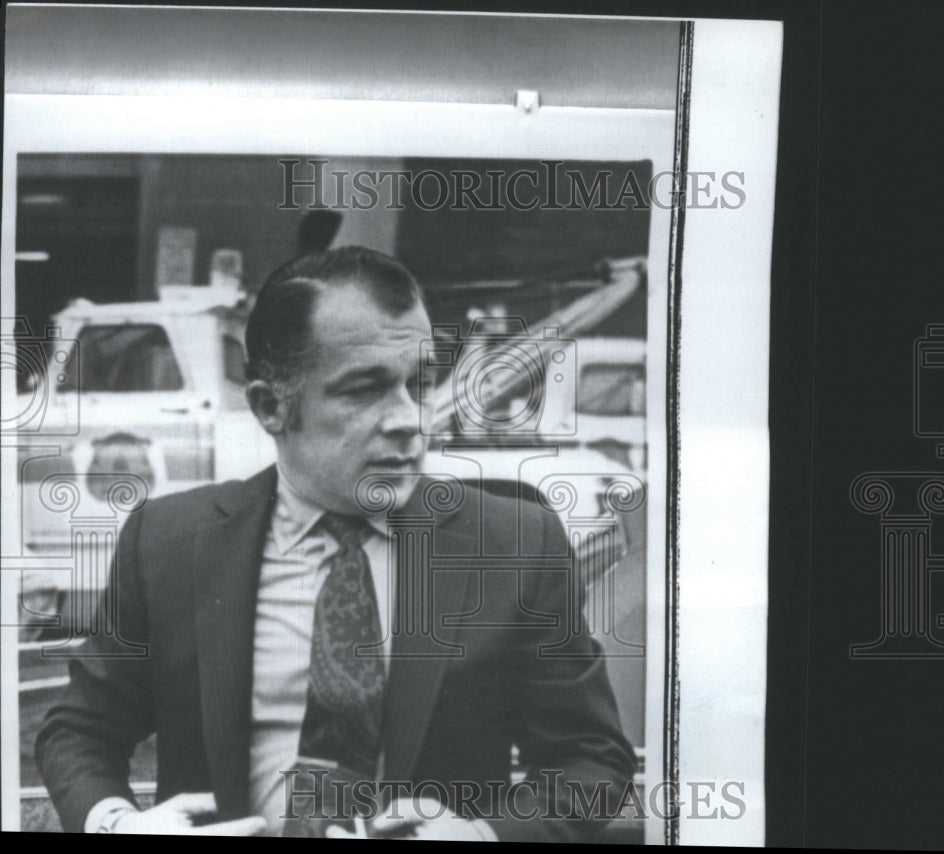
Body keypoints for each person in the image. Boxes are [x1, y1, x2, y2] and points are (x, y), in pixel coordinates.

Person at [35, 246, 636, 840]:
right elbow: (79, 731)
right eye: (364, 389)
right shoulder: (169, 542)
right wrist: (119, 823)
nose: (409, 419)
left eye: (420, 384)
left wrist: (480, 835)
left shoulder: (514, 544)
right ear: (272, 407)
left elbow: (590, 759)